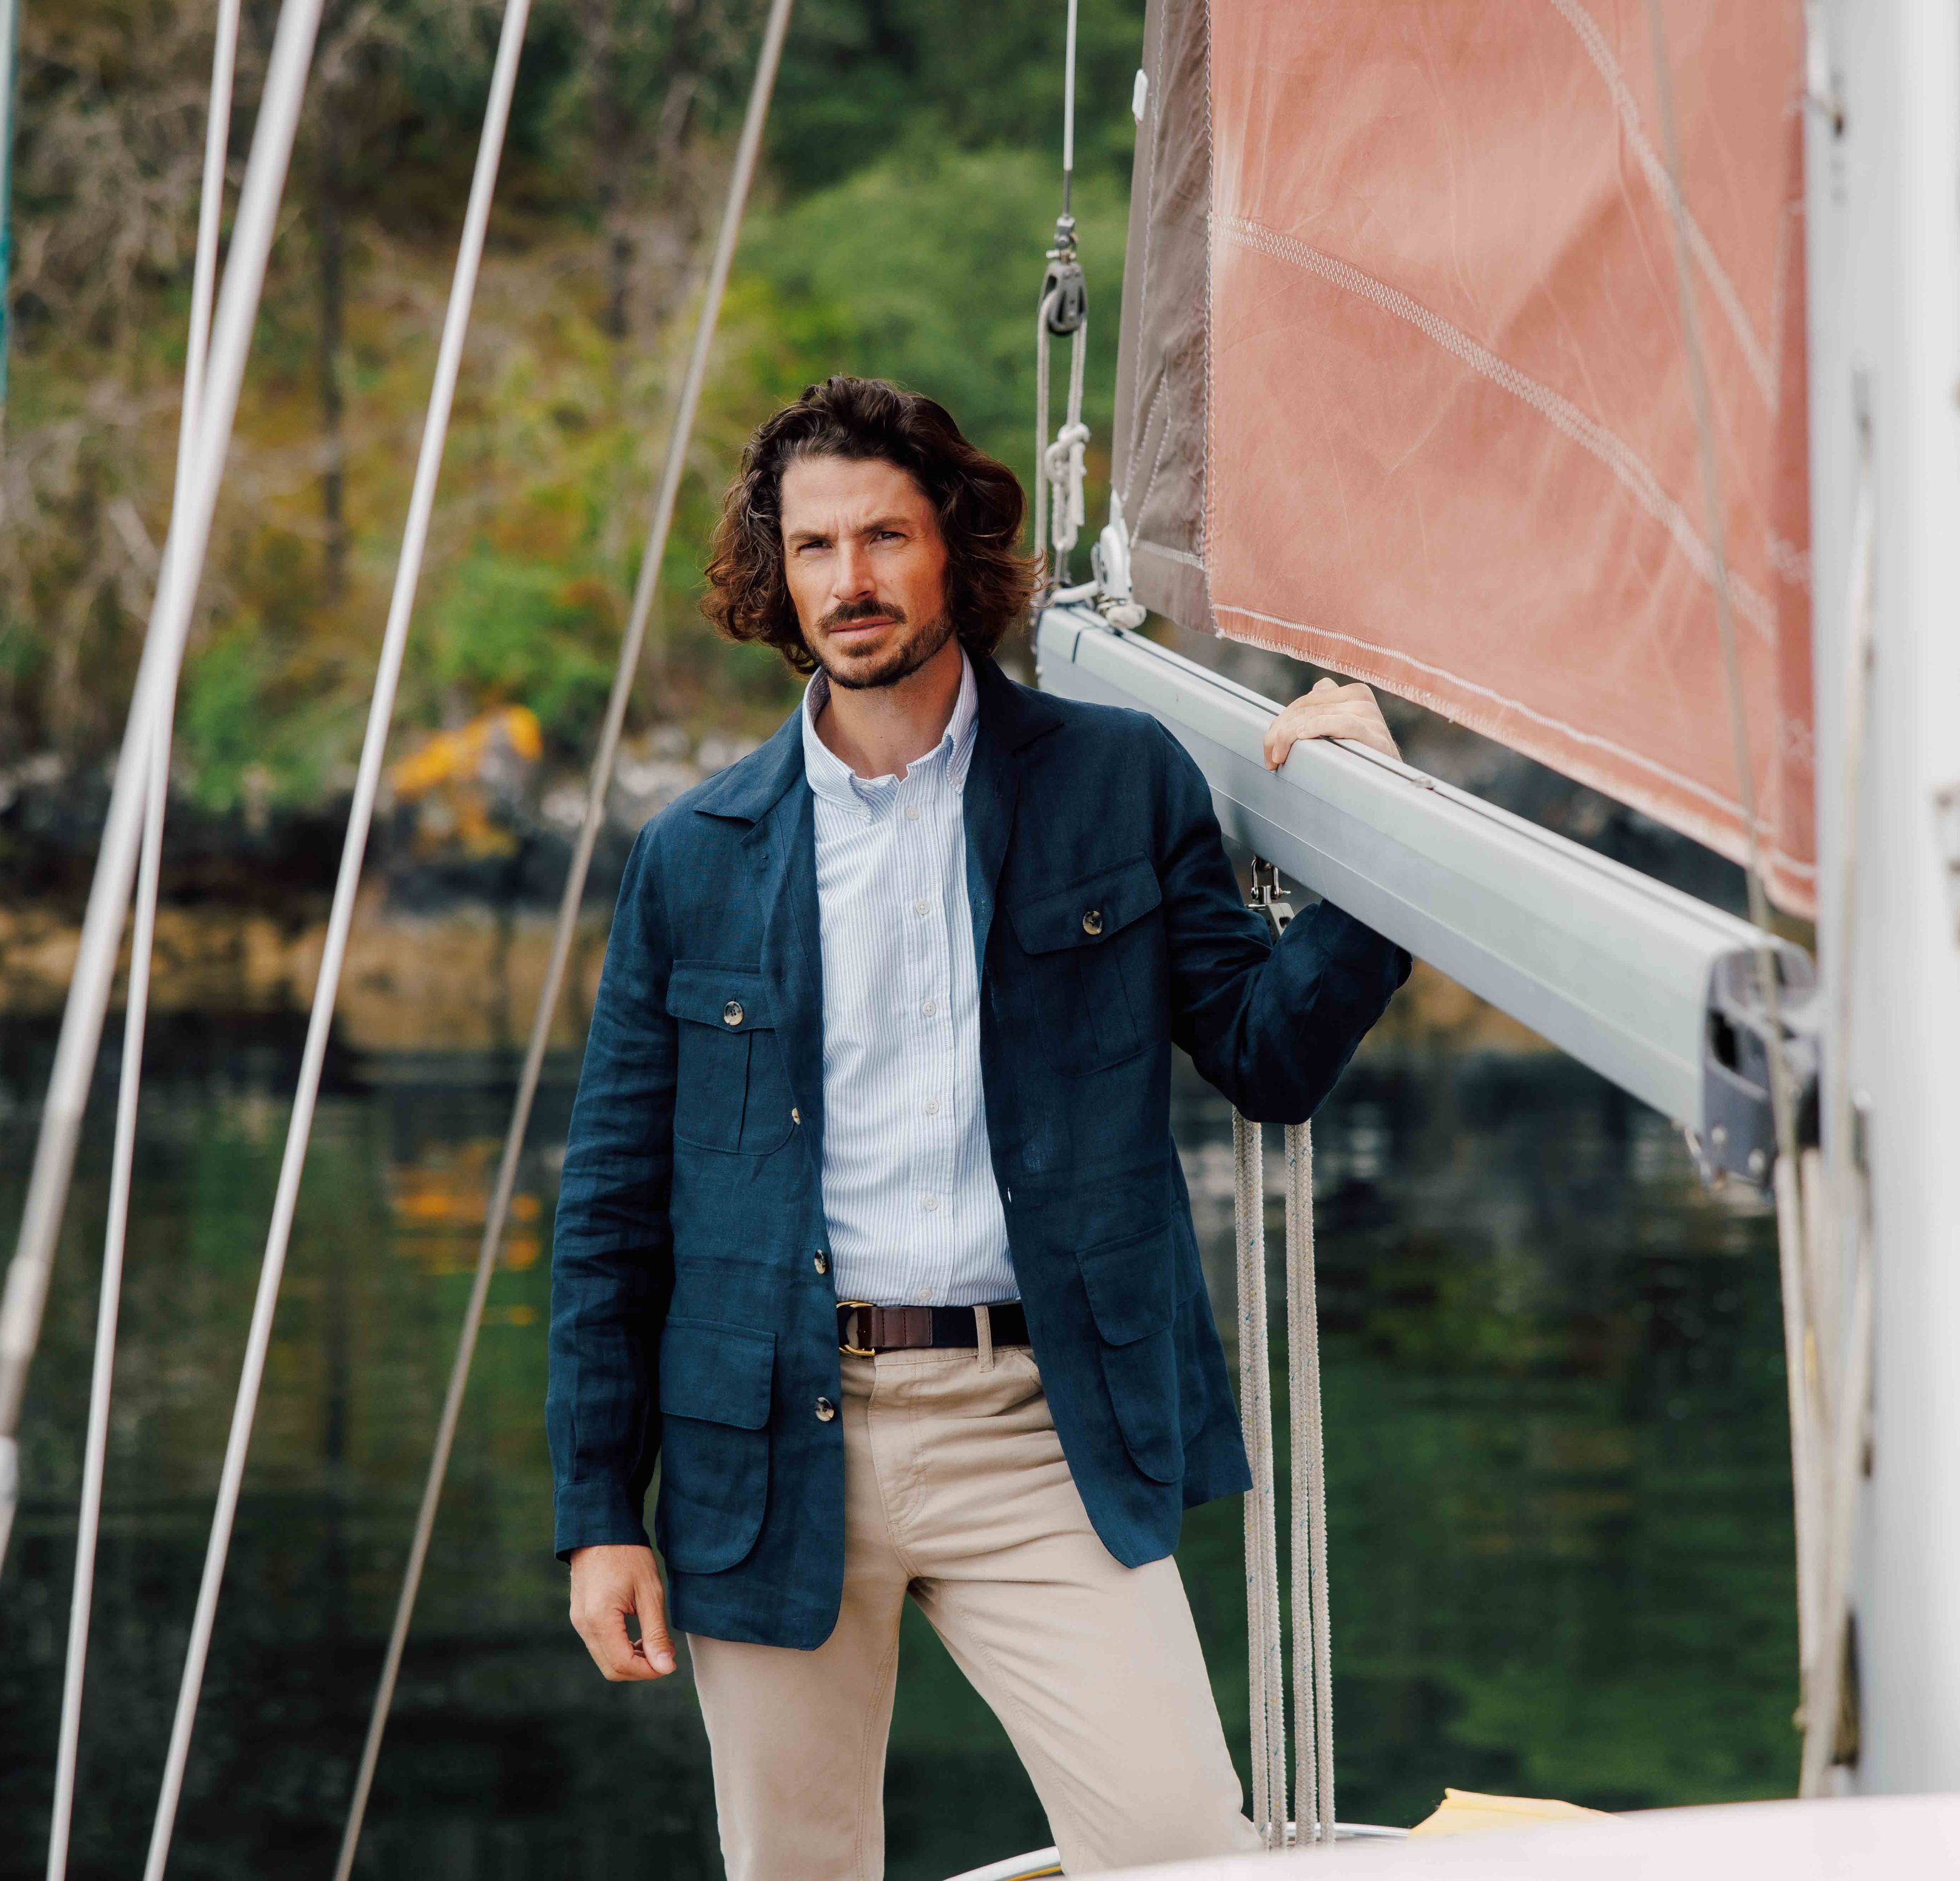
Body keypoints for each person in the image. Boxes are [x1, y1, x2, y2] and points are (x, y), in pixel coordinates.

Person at [547, 376, 1408, 1878]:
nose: (851, 580)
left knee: (1181, 1852)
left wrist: (1384, 836)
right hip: (769, 1435)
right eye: (814, 548)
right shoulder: (698, 855)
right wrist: (595, 1515)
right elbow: (614, 1208)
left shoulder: (1113, 782)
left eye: (884, 536)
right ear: (778, 573)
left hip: (1044, 1427)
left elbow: (1268, 1058)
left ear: (954, 545)